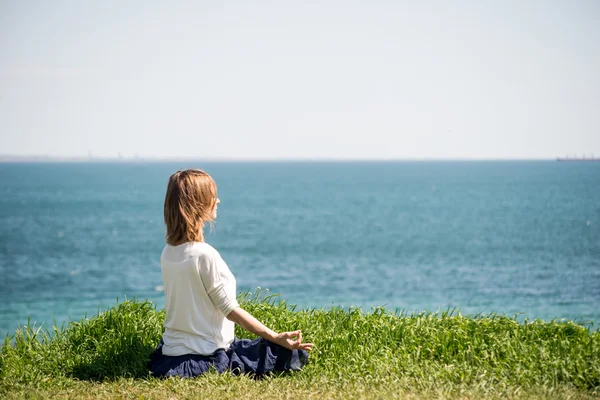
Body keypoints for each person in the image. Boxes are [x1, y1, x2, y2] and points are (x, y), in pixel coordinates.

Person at [149, 169, 313, 378]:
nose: (218, 200)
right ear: (198, 204)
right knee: (292, 354)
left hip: (171, 355)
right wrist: (275, 337)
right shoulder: (204, 254)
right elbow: (230, 310)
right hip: (206, 355)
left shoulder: (168, 252)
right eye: (212, 196)